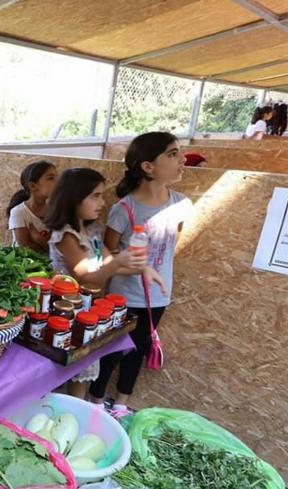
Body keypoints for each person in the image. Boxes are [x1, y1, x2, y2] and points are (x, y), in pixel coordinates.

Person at [89, 132, 192, 417]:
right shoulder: (125, 208)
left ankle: (121, 404)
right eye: (172, 154)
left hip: (158, 295)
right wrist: (134, 268)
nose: (182, 160)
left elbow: (172, 246)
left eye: (179, 152)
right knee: (110, 352)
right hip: (122, 295)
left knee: (139, 348)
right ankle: (95, 401)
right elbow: (106, 255)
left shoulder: (181, 203)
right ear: (148, 166)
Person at [45, 168, 164, 400]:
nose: (102, 202)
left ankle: (77, 410)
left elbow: (108, 262)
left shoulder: (92, 230)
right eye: (95, 196)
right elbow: (86, 276)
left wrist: (142, 268)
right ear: (74, 198)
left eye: (102, 195)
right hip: (67, 316)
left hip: (90, 312)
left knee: (83, 371)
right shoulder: (66, 235)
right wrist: (119, 260)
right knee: (65, 372)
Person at [6, 160, 57, 254]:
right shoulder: (19, 212)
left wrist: (39, 239)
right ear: (33, 186)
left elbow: (57, 247)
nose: (57, 182)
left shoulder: (54, 211)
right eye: (51, 178)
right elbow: (24, 248)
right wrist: (46, 245)